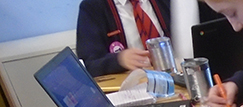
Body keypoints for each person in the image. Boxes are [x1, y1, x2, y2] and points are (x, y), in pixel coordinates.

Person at [76, 0, 217, 77]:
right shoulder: (93, 7)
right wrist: (119, 60)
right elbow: (88, 63)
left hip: (182, 77)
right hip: (137, 87)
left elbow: (214, 28)